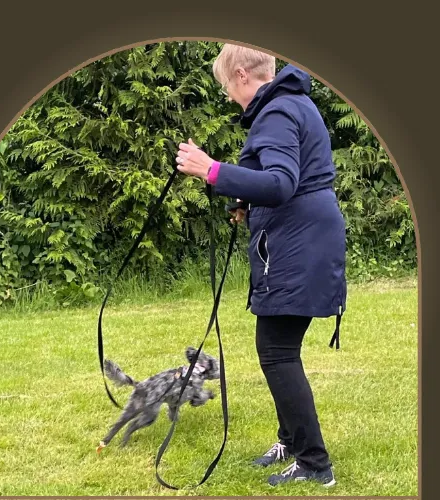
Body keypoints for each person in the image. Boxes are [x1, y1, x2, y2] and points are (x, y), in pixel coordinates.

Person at [175, 43, 346, 488]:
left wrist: (212, 170)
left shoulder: (276, 111)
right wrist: (243, 200)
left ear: (241, 75)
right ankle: (290, 441)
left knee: (277, 351)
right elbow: (288, 178)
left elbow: (281, 183)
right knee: (279, 349)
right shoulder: (294, 103)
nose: (229, 95)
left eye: (226, 86)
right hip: (306, 237)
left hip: (298, 243)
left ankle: (315, 463)